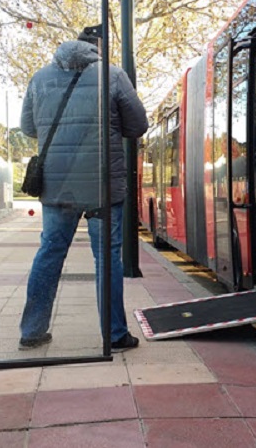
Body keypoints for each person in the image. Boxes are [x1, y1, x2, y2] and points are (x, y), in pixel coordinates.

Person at [18, 26, 149, 351]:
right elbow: (138, 126)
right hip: (102, 184)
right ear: (99, 48)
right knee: (106, 258)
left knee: (50, 252)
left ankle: (32, 331)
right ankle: (115, 334)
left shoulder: (39, 78)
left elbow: (27, 127)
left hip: (57, 183)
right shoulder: (114, 75)